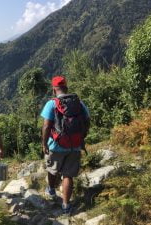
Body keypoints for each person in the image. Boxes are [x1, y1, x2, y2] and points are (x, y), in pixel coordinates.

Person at [41, 76, 90, 214]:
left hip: (56, 144)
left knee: (52, 169)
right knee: (68, 175)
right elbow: (87, 121)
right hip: (75, 145)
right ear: (66, 87)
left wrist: (44, 144)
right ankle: (66, 205)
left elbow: (46, 126)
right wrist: (81, 137)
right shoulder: (79, 103)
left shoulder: (52, 103)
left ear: (54, 89)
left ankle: (51, 191)